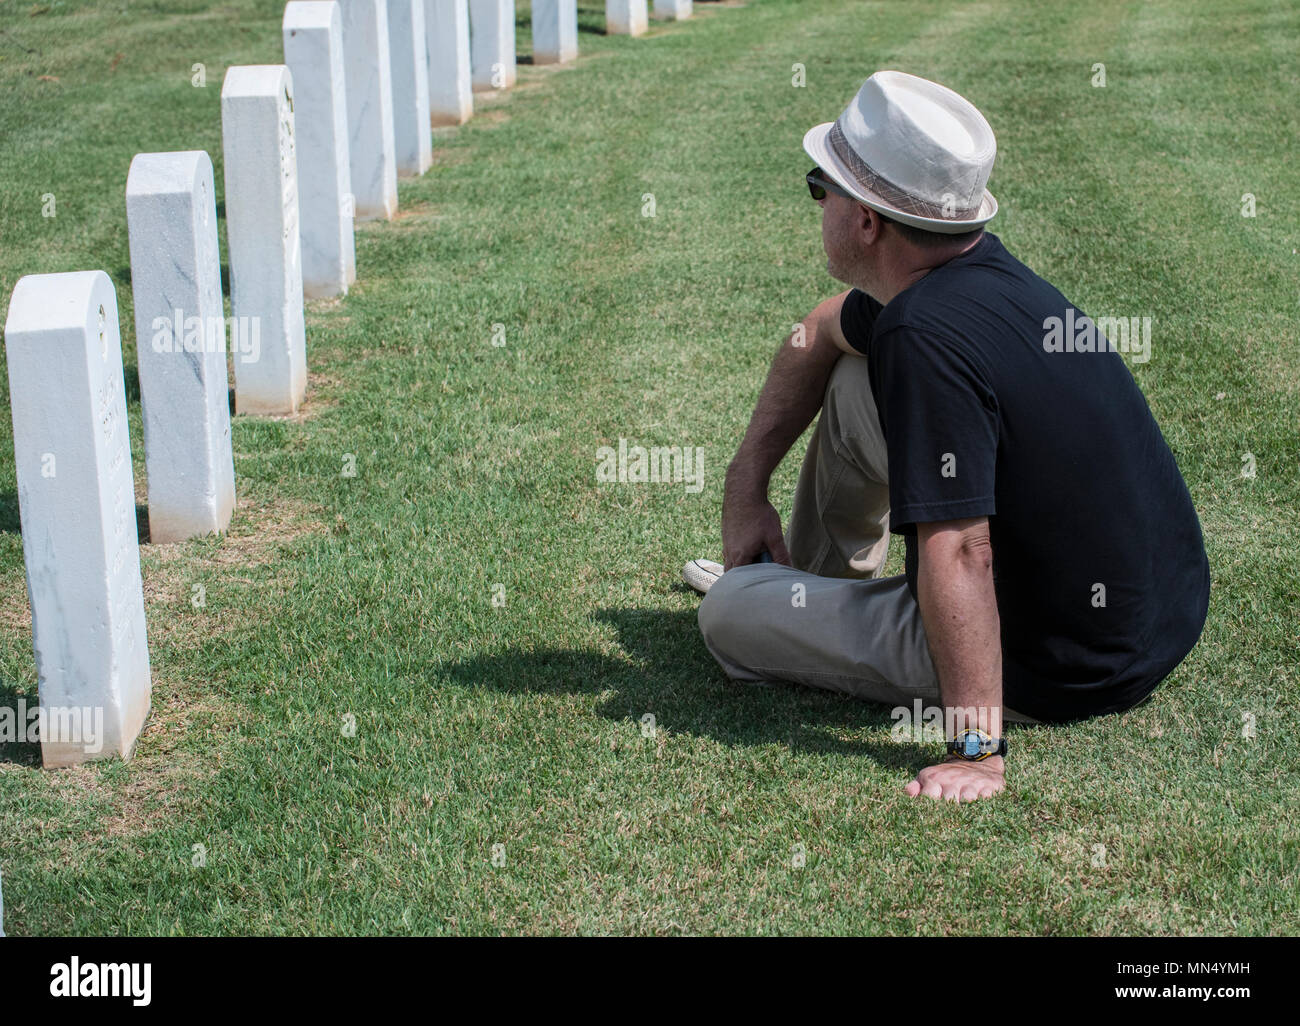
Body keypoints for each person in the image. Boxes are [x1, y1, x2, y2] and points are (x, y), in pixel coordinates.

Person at [685, 71, 1210, 803]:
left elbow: (964, 548)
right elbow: (821, 327)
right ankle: (813, 588)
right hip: (1154, 618)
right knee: (846, 381)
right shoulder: (971, 276)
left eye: (820, 186)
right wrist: (745, 488)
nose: (818, 203)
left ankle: (774, 598)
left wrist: (978, 751)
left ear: (868, 221)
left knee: (728, 615)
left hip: (1060, 661)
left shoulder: (922, 334)